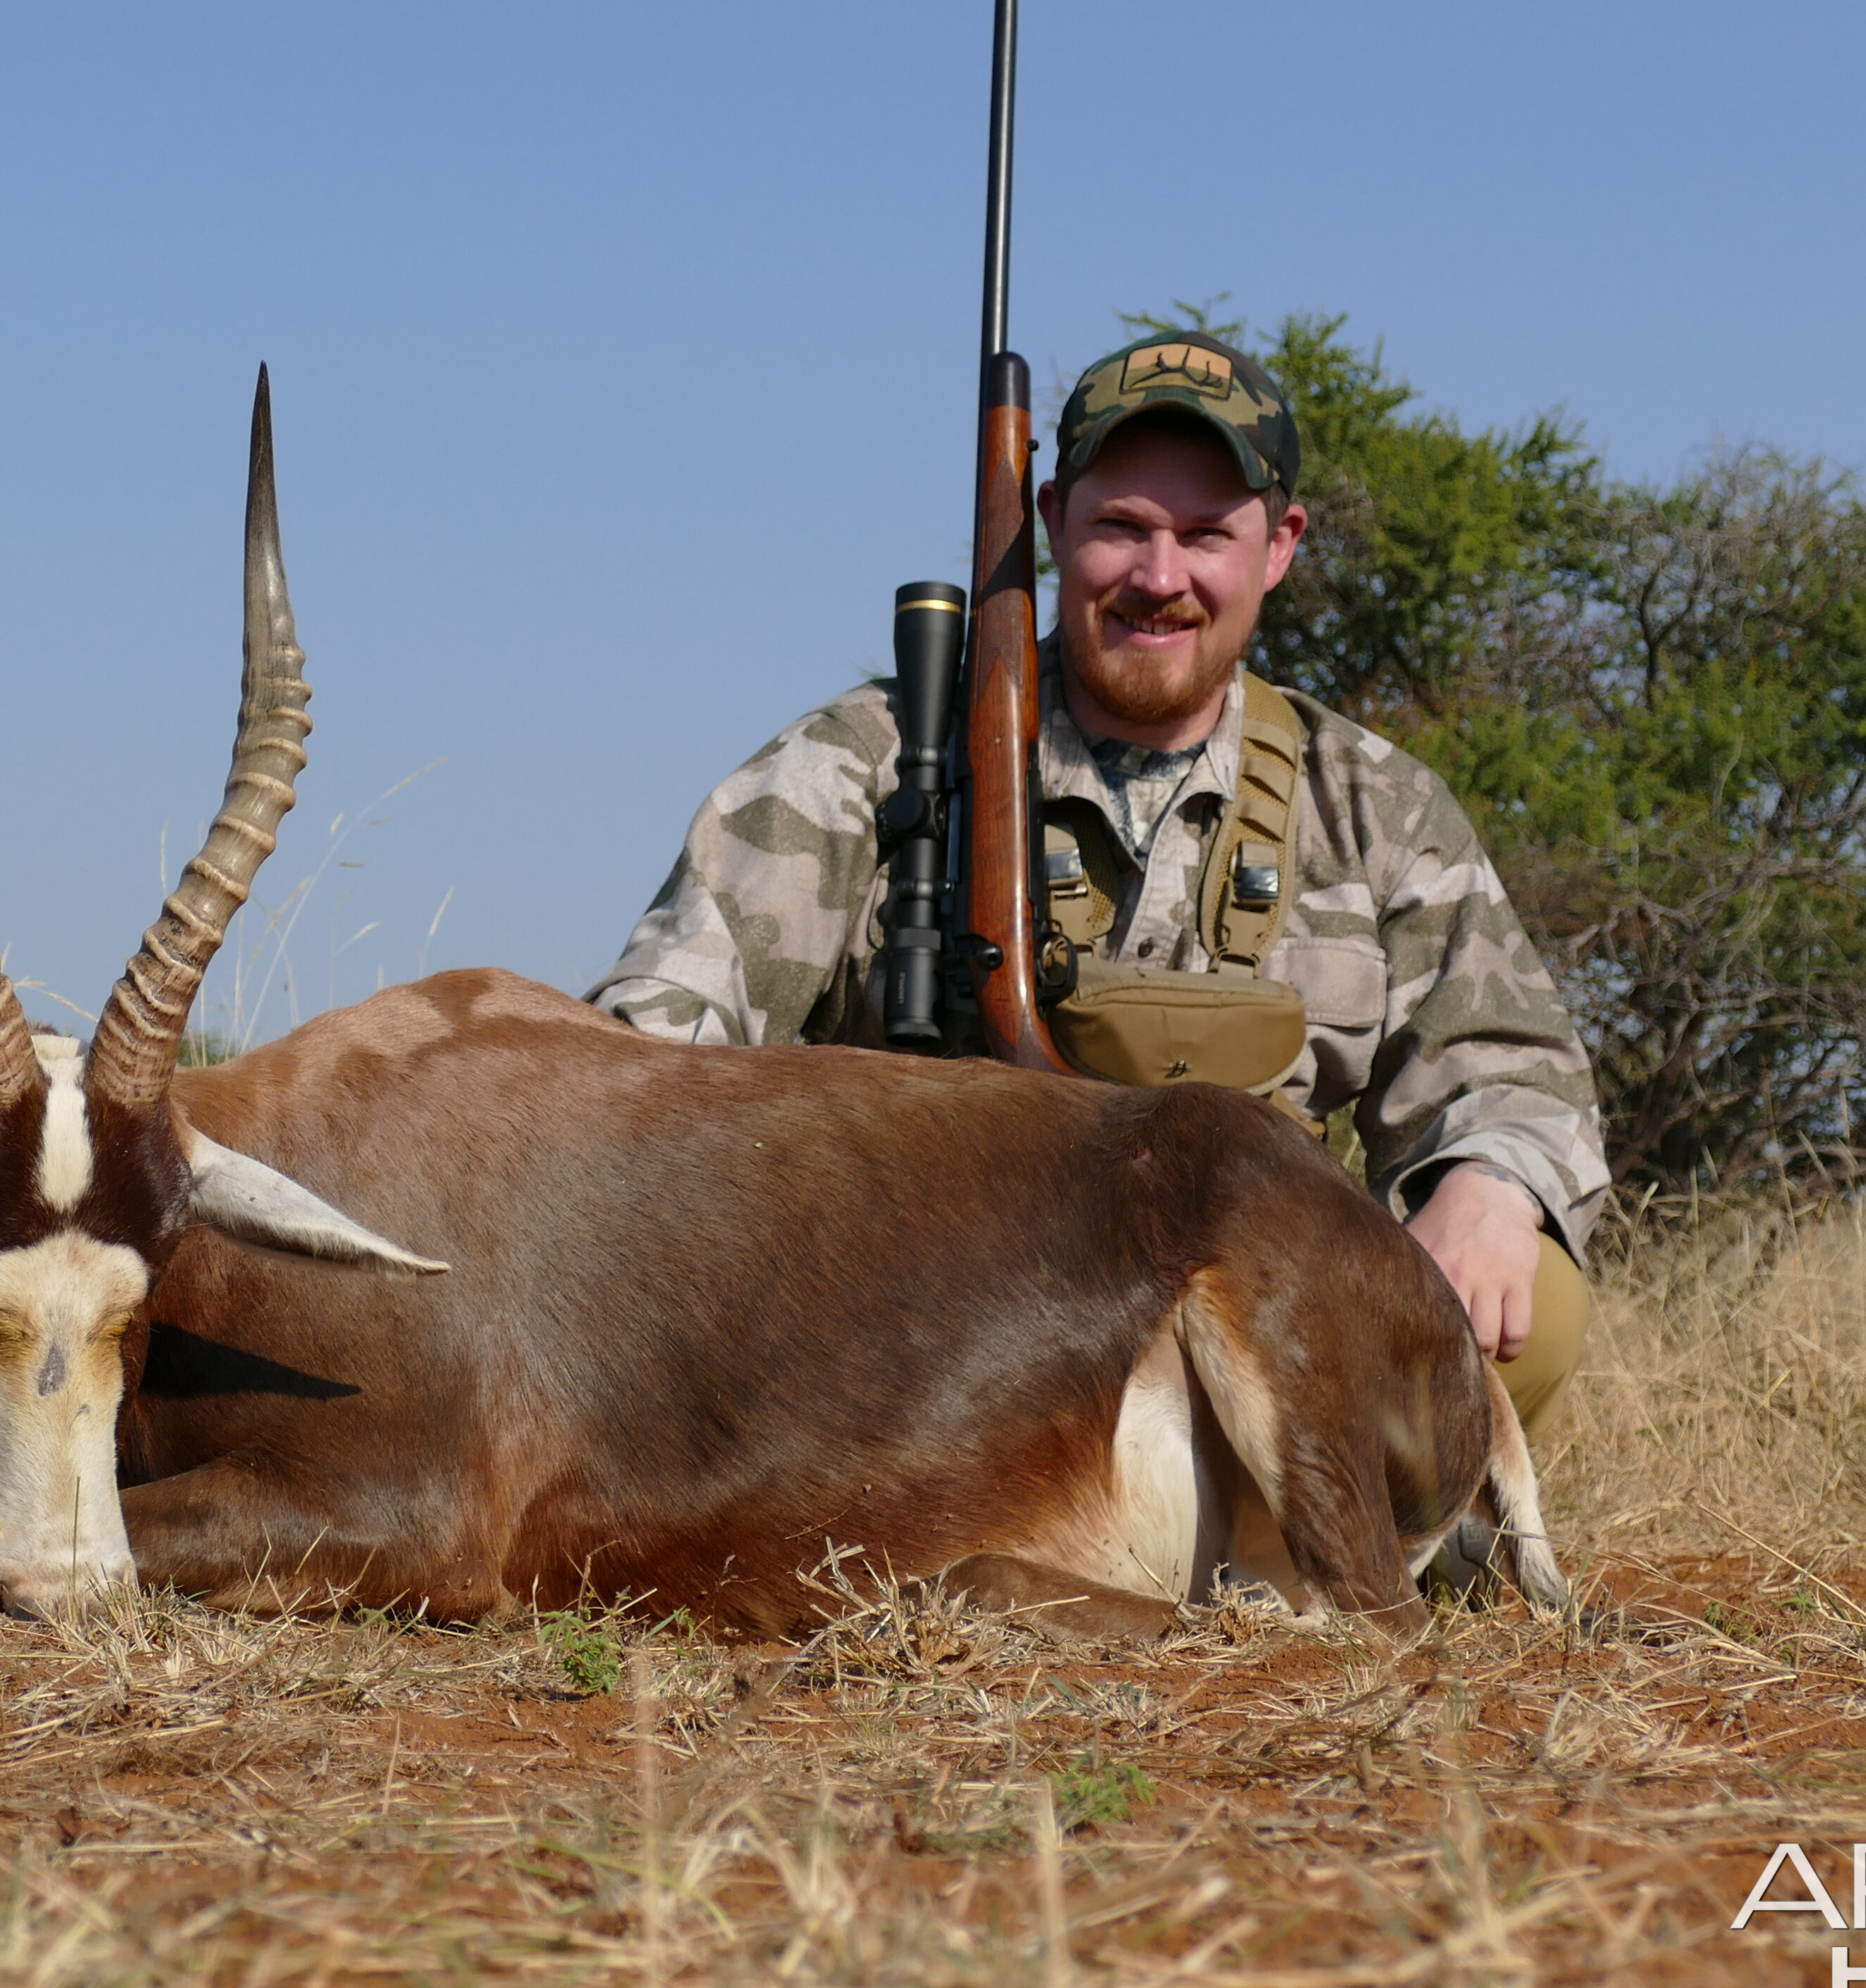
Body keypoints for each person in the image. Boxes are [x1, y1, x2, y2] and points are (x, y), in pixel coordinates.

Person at [589, 328, 1605, 1427]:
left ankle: (1299, 1535)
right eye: (1122, 527)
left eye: (1206, 536)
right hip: (918, 1365)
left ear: (1279, 546)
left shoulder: (1377, 803)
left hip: (1251, 1342)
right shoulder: (864, 761)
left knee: (1529, 1298)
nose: (1158, 578)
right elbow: (648, 1051)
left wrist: (1491, 1188)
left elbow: (1512, 1070)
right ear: (1053, 521)